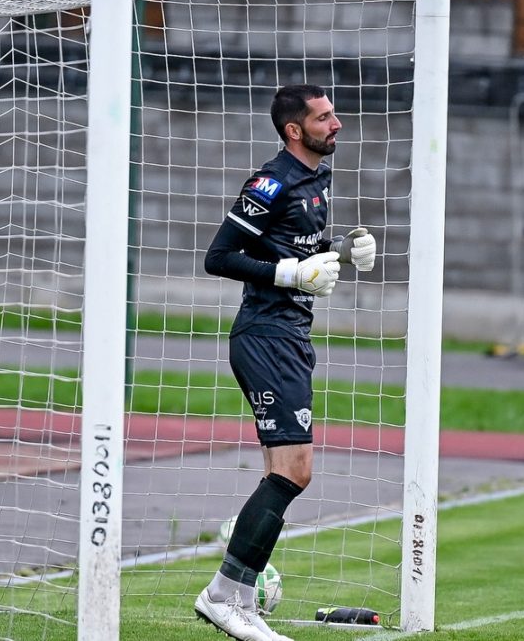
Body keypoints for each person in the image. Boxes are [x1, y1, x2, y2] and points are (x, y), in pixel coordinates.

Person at [194, 85, 377, 641]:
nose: (337, 123)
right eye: (324, 117)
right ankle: (225, 595)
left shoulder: (316, 179)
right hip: (265, 336)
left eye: (334, 113)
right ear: (295, 130)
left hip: (291, 336)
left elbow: (298, 245)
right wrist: (290, 276)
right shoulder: (268, 182)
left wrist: (343, 248)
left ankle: (239, 596)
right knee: (292, 472)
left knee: (289, 473)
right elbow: (218, 257)